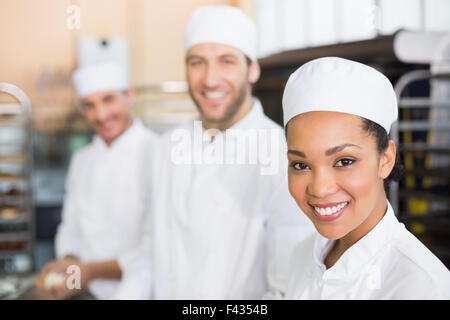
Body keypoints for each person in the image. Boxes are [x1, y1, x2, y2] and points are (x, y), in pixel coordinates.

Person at [114, 5, 313, 299]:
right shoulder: (166, 148)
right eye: (197, 63)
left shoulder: (283, 156)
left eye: (226, 61)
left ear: (253, 69)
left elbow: (286, 286)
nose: (210, 79)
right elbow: (149, 251)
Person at [280, 56, 450, 299]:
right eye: (300, 164)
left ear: (386, 159)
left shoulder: (423, 287)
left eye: (344, 161)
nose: (319, 188)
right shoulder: (301, 256)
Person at [36, 62, 159, 299]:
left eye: (109, 99)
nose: (101, 115)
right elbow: (71, 226)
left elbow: (155, 246)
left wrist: (88, 272)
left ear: (129, 95)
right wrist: (69, 264)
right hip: (88, 292)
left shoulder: (156, 153)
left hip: (143, 292)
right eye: (89, 105)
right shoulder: (82, 160)